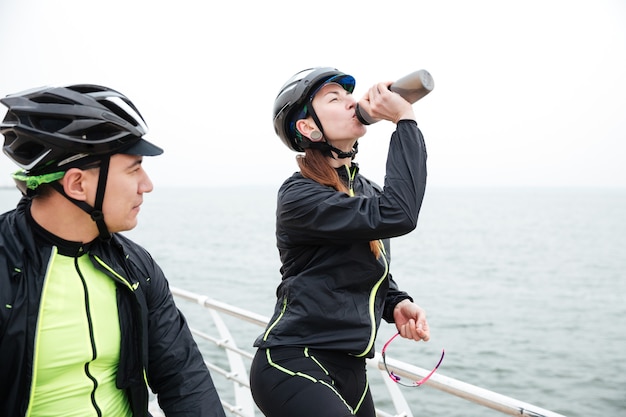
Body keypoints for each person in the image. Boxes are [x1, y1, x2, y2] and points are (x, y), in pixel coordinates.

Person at [0, 84, 226, 417]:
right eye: (134, 168)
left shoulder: (136, 266)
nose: (146, 185)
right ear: (78, 184)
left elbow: (184, 378)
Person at [249, 67, 432, 417]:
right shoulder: (299, 195)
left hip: (351, 370)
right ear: (308, 127)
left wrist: (395, 302)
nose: (351, 101)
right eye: (335, 98)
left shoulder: (365, 191)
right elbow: (400, 214)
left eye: (349, 95)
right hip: (295, 362)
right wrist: (404, 120)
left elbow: (356, 265)